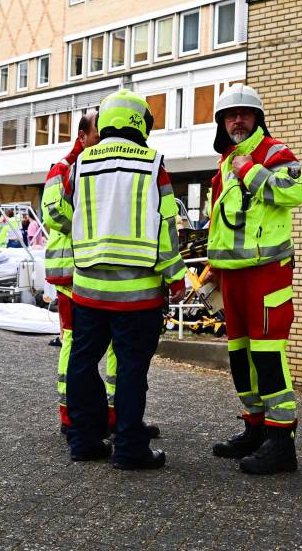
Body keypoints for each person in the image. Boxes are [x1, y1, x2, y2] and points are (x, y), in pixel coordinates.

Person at [61, 91, 186, 469]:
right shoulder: (153, 163)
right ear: (140, 122)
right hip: (139, 293)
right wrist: (175, 275)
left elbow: (65, 215)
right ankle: (130, 449)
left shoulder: (79, 163)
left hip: (89, 288)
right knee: (132, 370)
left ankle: (84, 441)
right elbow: (166, 226)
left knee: (82, 364)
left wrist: (93, 246)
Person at [206, 84, 302, 475]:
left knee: (267, 356)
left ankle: (282, 442)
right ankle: (255, 428)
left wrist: (249, 170)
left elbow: (293, 191)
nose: (237, 119)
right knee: (240, 358)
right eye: (230, 115)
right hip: (232, 277)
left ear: (257, 117)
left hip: (267, 273)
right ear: (221, 122)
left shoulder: (275, 153)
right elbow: (221, 219)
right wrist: (214, 266)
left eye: (245, 113)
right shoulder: (225, 160)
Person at [42, 111, 119, 436]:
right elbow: (53, 213)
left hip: (97, 269)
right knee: (74, 341)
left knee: (115, 343)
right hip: (72, 272)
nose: (104, 143)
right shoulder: (62, 169)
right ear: (82, 136)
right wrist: (92, 225)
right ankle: (70, 413)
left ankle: (118, 413)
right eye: (99, 136)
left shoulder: (103, 168)